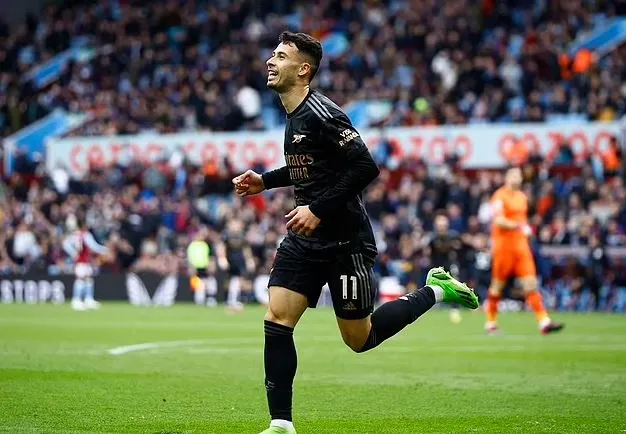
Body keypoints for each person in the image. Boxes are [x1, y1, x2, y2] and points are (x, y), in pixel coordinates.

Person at [231, 31, 479, 434]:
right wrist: (267, 180)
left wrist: (317, 208)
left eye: (280, 56)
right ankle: (281, 423)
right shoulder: (293, 114)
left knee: (359, 339)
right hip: (304, 238)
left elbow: (365, 168)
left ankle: (435, 290)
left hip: (346, 242)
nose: (270, 62)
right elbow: (309, 168)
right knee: (277, 319)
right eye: (271, 54)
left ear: (304, 69)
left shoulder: (324, 114)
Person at [485, 167, 564, 335]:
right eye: (513, 175)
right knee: (497, 286)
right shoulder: (499, 196)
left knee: (531, 284)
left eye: (519, 175)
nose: (517, 178)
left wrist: (526, 231)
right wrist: (520, 226)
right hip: (504, 247)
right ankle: (491, 322)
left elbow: (523, 220)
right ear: (507, 177)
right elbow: (498, 220)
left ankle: (544, 322)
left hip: (521, 247)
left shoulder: (522, 197)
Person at [62, 218, 109, 310]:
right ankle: (76, 300)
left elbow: (65, 244)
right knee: (81, 279)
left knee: (88, 279)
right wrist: (105, 250)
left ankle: (88, 299)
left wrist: (73, 253)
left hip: (85, 261)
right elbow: (94, 246)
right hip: (81, 261)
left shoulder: (76, 235)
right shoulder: (85, 235)